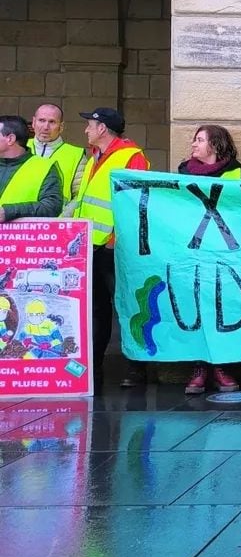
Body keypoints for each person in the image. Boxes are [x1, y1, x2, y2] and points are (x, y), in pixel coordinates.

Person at [72, 107, 150, 391]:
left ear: (102, 128)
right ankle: (94, 366)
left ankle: (137, 368)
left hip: (115, 247)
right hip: (92, 245)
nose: (86, 130)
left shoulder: (131, 156)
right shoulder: (95, 156)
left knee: (128, 308)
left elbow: (136, 204)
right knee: (97, 310)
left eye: (90, 125)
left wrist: (115, 238)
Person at [178, 124, 241, 394]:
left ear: (215, 145)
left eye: (200, 140)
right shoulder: (183, 174)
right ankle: (199, 367)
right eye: (195, 140)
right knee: (196, 309)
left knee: (223, 310)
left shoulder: (237, 174)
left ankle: (221, 366)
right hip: (194, 253)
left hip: (225, 255)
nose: (193, 144)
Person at [0, 115, 63, 222]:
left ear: (10, 139)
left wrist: (9, 212)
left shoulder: (43, 167)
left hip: (22, 232)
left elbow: (52, 207)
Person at [29, 103, 86, 204]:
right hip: (17, 213)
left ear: (61, 126)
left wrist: (65, 214)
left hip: (58, 213)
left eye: (52, 122)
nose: (46, 127)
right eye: (41, 120)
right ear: (33, 122)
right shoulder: (19, 148)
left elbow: (79, 196)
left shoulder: (76, 155)